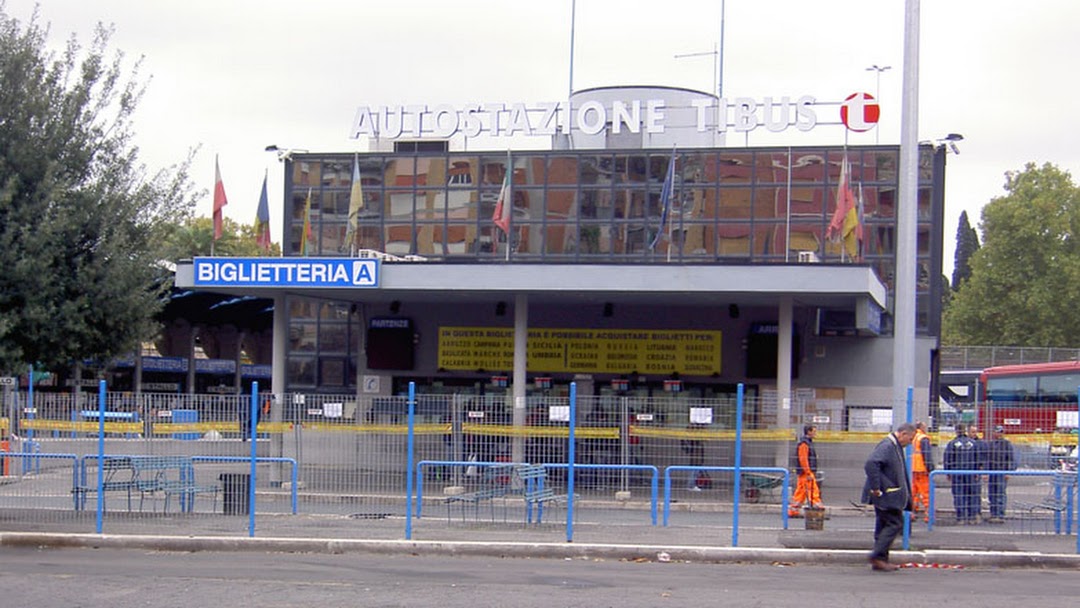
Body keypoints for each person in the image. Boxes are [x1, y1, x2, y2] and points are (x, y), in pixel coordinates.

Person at [862, 422, 915, 572]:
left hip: (888, 492)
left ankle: (880, 560)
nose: (910, 443)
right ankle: (877, 555)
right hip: (886, 494)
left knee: (883, 524)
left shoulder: (893, 446)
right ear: (903, 434)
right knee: (895, 523)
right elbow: (871, 464)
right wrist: (877, 487)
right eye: (910, 439)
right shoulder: (888, 446)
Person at [943, 424, 980, 524]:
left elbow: (948, 458)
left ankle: (961, 517)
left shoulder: (952, 444)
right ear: (965, 431)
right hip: (971, 472)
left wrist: (948, 472)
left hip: (957, 473)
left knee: (959, 495)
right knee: (972, 494)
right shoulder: (973, 443)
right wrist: (978, 471)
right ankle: (972, 517)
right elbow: (978, 458)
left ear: (956, 431)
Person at [788, 424, 822, 517]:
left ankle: (793, 511)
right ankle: (817, 511)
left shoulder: (807, 443)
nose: (816, 433)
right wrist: (808, 472)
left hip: (804, 472)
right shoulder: (805, 444)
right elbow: (803, 459)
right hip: (806, 472)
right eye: (814, 431)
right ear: (809, 432)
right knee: (813, 491)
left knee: (801, 492)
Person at [985, 425, 1017, 523]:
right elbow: (987, 460)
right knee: (992, 493)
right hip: (992, 472)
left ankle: (1000, 514)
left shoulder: (1007, 444)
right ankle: (993, 514)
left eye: (999, 432)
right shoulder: (990, 444)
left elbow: (1011, 459)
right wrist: (986, 472)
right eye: (996, 432)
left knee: (1000, 493)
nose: (997, 434)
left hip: (1002, 472)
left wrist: (1009, 471)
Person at [911, 421, 934, 522]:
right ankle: (928, 515)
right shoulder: (923, 438)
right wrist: (930, 468)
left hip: (913, 467)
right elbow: (927, 454)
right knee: (926, 492)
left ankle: (912, 512)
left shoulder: (914, 437)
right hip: (922, 468)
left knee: (914, 491)